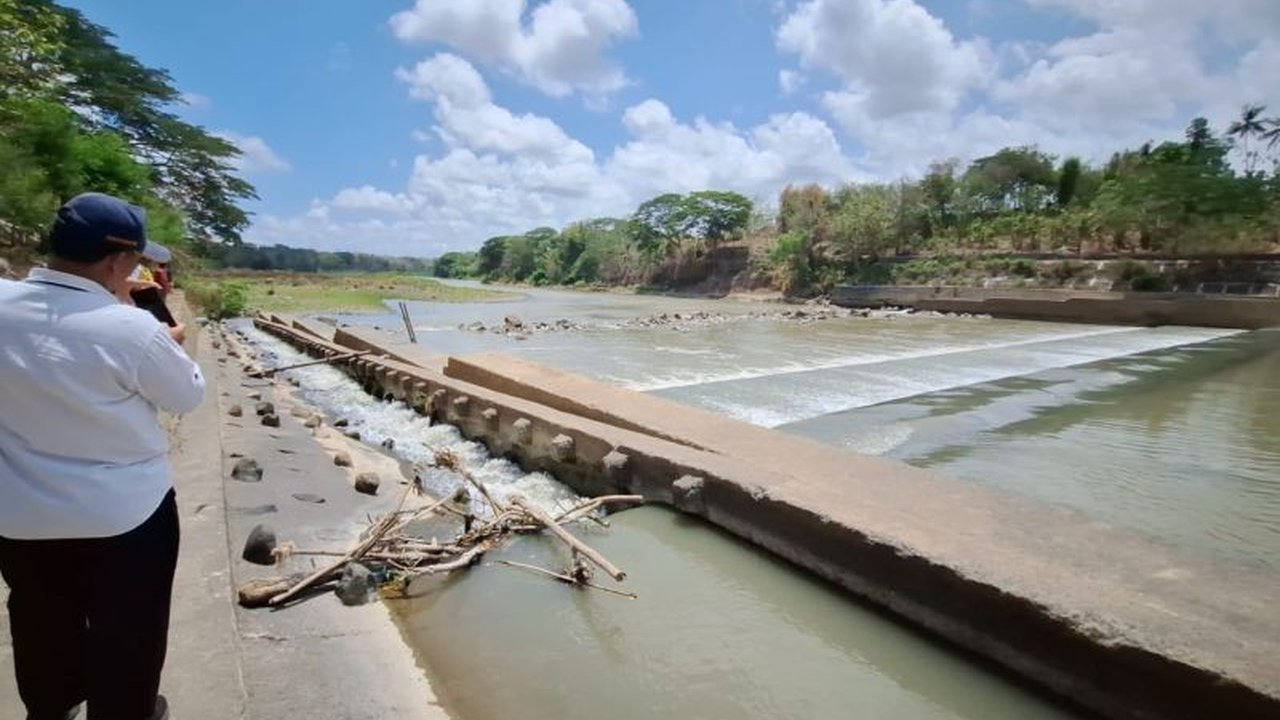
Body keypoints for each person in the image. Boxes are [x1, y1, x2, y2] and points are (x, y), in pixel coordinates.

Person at [0, 192, 205, 720]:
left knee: (39, 620)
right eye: (136, 261)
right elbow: (186, 397)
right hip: (126, 519)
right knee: (130, 630)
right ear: (117, 261)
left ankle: (51, 707)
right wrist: (168, 338)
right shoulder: (133, 330)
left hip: (21, 515)